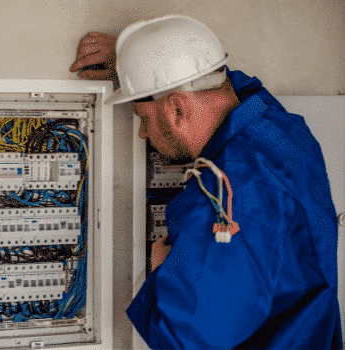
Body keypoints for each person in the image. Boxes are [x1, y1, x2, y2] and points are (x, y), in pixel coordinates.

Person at [70, 15, 343, 349]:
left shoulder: (228, 197)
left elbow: (188, 340)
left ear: (178, 110)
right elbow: (231, 87)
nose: (142, 133)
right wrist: (139, 59)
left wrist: (162, 273)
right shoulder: (284, 132)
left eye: (143, 119)